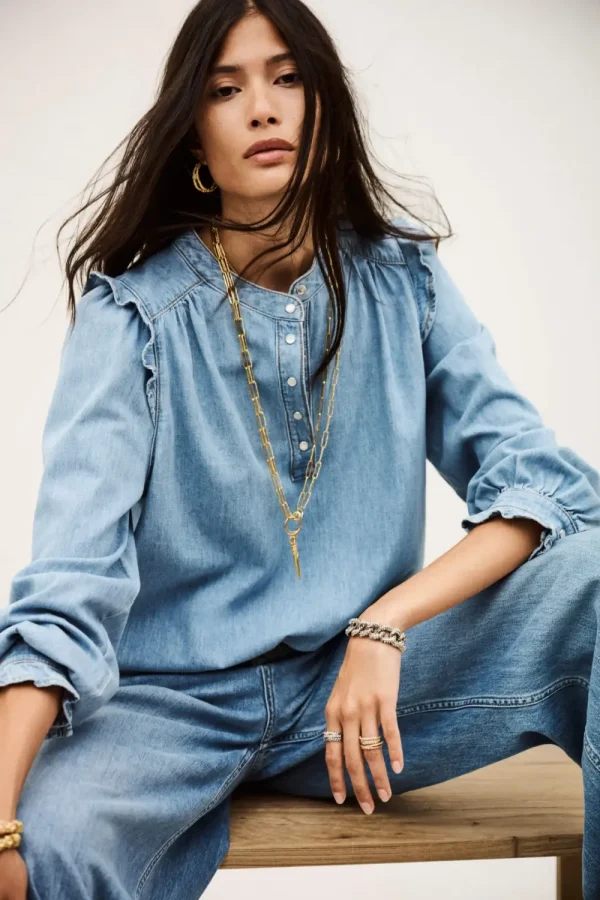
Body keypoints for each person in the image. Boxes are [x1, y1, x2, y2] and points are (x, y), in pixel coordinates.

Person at [1, 0, 599, 897]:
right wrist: (0, 814)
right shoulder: (134, 320)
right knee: (49, 851)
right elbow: (68, 587)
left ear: (326, 106)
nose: (263, 108)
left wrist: (384, 622)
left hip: (359, 695)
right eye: (225, 89)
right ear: (194, 136)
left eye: (288, 78)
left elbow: (545, 486)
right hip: (165, 711)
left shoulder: (405, 284)